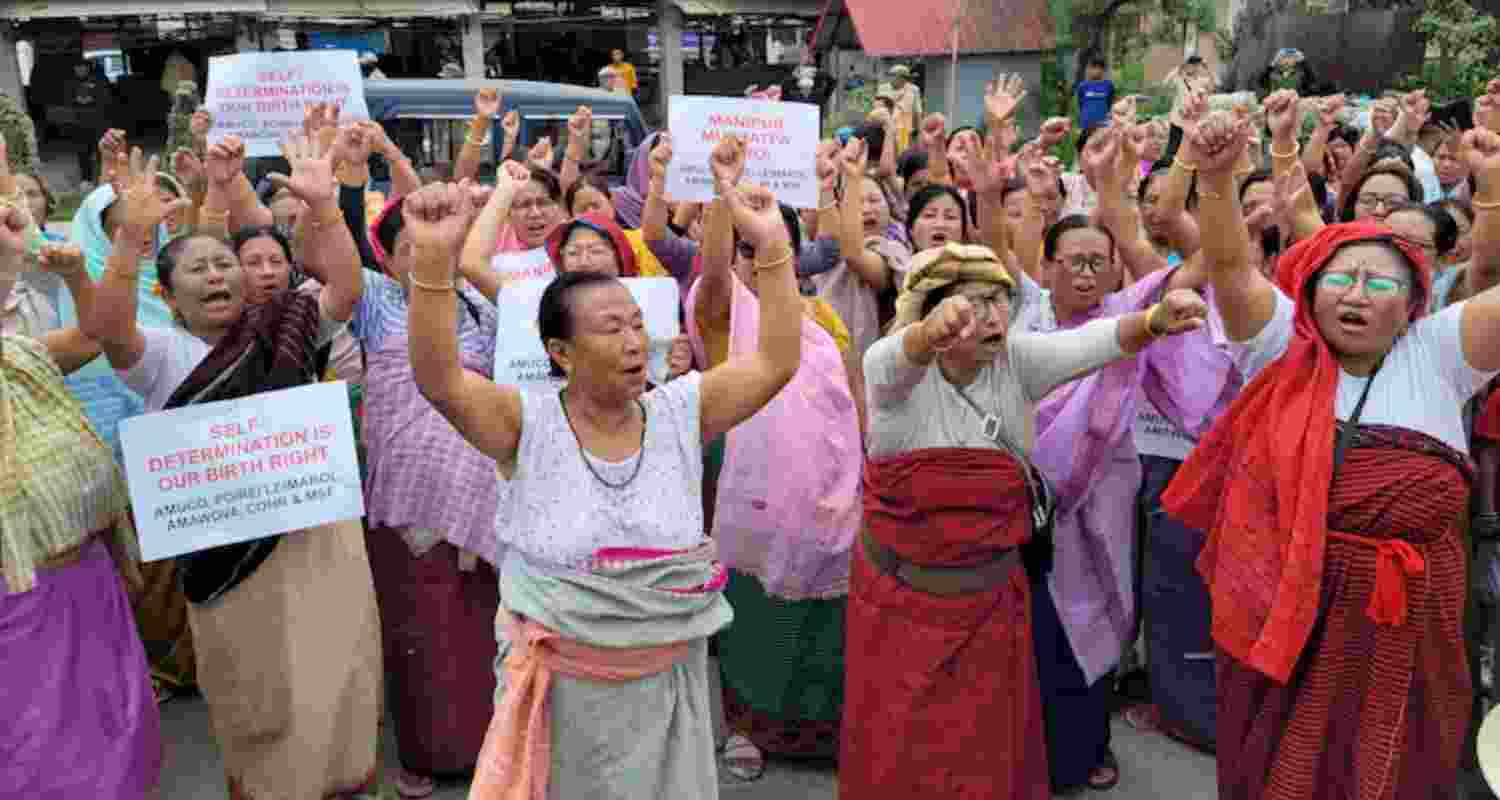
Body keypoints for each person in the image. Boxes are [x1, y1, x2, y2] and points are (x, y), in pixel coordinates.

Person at [405, 162, 804, 798]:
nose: (631, 342)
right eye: (610, 328)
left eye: (637, 326)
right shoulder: (522, 420)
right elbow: (441, 381)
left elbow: (779, 358)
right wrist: (431, 262)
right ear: (560, 353)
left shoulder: (680, 408)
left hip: (665, 693)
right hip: (564, 700)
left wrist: (773, 246)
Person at [1164, 110, 1500, 800]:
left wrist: (1490, 188)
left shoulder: (1438, 354)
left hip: (1413, 624)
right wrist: (1218, 177)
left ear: (1414, 303)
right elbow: (1229, 264)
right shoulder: (1281, 344)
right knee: (1285, 769)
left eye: (1380, 283)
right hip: (1292, 616)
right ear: (1308, 294)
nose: (1355, 294)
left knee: (1399, 770)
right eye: (1339, 280)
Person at [843, 220, 1209, 798]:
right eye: (971, 303)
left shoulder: (1016, 362)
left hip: (992, 606)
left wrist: (1155, 321)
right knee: (903, 756)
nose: (990, 316)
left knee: (987, 756)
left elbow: (1099, 341)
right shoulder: (894, 376)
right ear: (929, 309)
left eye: (997, 301)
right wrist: (928, 332)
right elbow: (896, 356)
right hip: (903, 610)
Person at [73, 141, 381, 799]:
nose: (216, 276)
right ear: (167, 290)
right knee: (257, 701)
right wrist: (130, 236)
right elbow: (105, 328)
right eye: (197, 268)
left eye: (224, 264)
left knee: (334, 683)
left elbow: (347, 290)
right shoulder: (156, 353)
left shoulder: (287, 322)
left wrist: (325, 210)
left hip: (313, 541)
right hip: (224, 559)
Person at [683, 137, 864, 780]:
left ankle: (824, 731)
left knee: (826, 622)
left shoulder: (819, 320)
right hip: (755, 495)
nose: (764, 251)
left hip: (834, 494)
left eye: (775, 238)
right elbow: (710, 279)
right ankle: (748, 730)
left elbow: (852, 397)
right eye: (751, 241)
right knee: (754, 615)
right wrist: (722, 193)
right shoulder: (725, 315)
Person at [1, 203, 160, 799]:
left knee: (108, 728)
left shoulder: (19, 354)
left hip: (85, 574)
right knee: (34, 744)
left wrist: (89, 266)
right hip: (18, 594)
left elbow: (99, 333)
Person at [880, 65, 923, 153]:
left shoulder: (913, 90)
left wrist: (919, 131)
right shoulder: (883, 88)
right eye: (890, 75)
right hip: (886, 128)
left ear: (902, 78)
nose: (890, 78)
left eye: (893, 75)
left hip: (905, 129)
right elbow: (878, 109)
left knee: (903, 154)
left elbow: (917, 111)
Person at [1076, 56, 1115, 131]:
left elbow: (1110, 103)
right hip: (1086, 125)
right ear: (1089, 69)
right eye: (1094, 67)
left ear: (1104, 70)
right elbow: (1081, 105)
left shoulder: (1108, 85)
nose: (1097, 70)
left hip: (1104, 126)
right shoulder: (1083, 86)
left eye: (1100, 68)